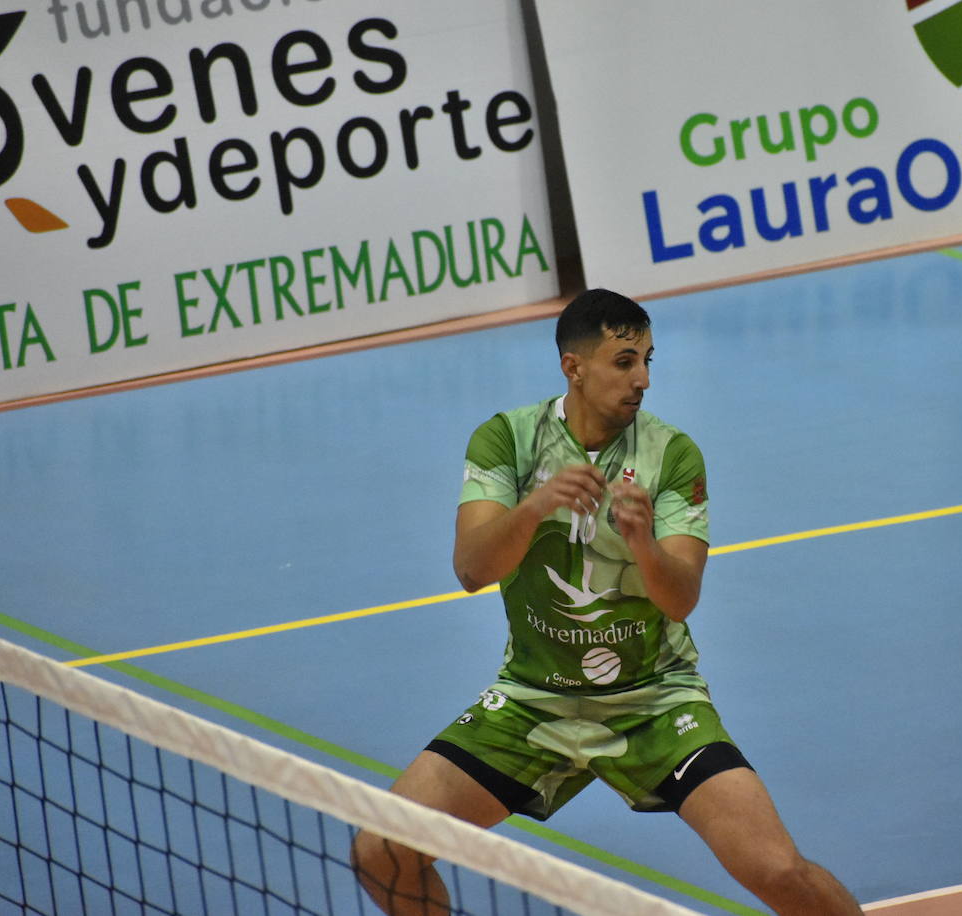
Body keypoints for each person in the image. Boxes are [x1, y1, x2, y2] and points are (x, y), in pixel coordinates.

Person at [351, 289, 860, 916]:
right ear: (574, 366)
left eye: (648, 360)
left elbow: (681, 599)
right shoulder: (506, 440)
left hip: (654, 701)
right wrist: (537, 505)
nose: (643, 379)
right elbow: (471, 570)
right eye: (624, 362)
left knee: (779, 870)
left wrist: (644, 542)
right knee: (382, 851)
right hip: (534, 700)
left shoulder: (672, 454)